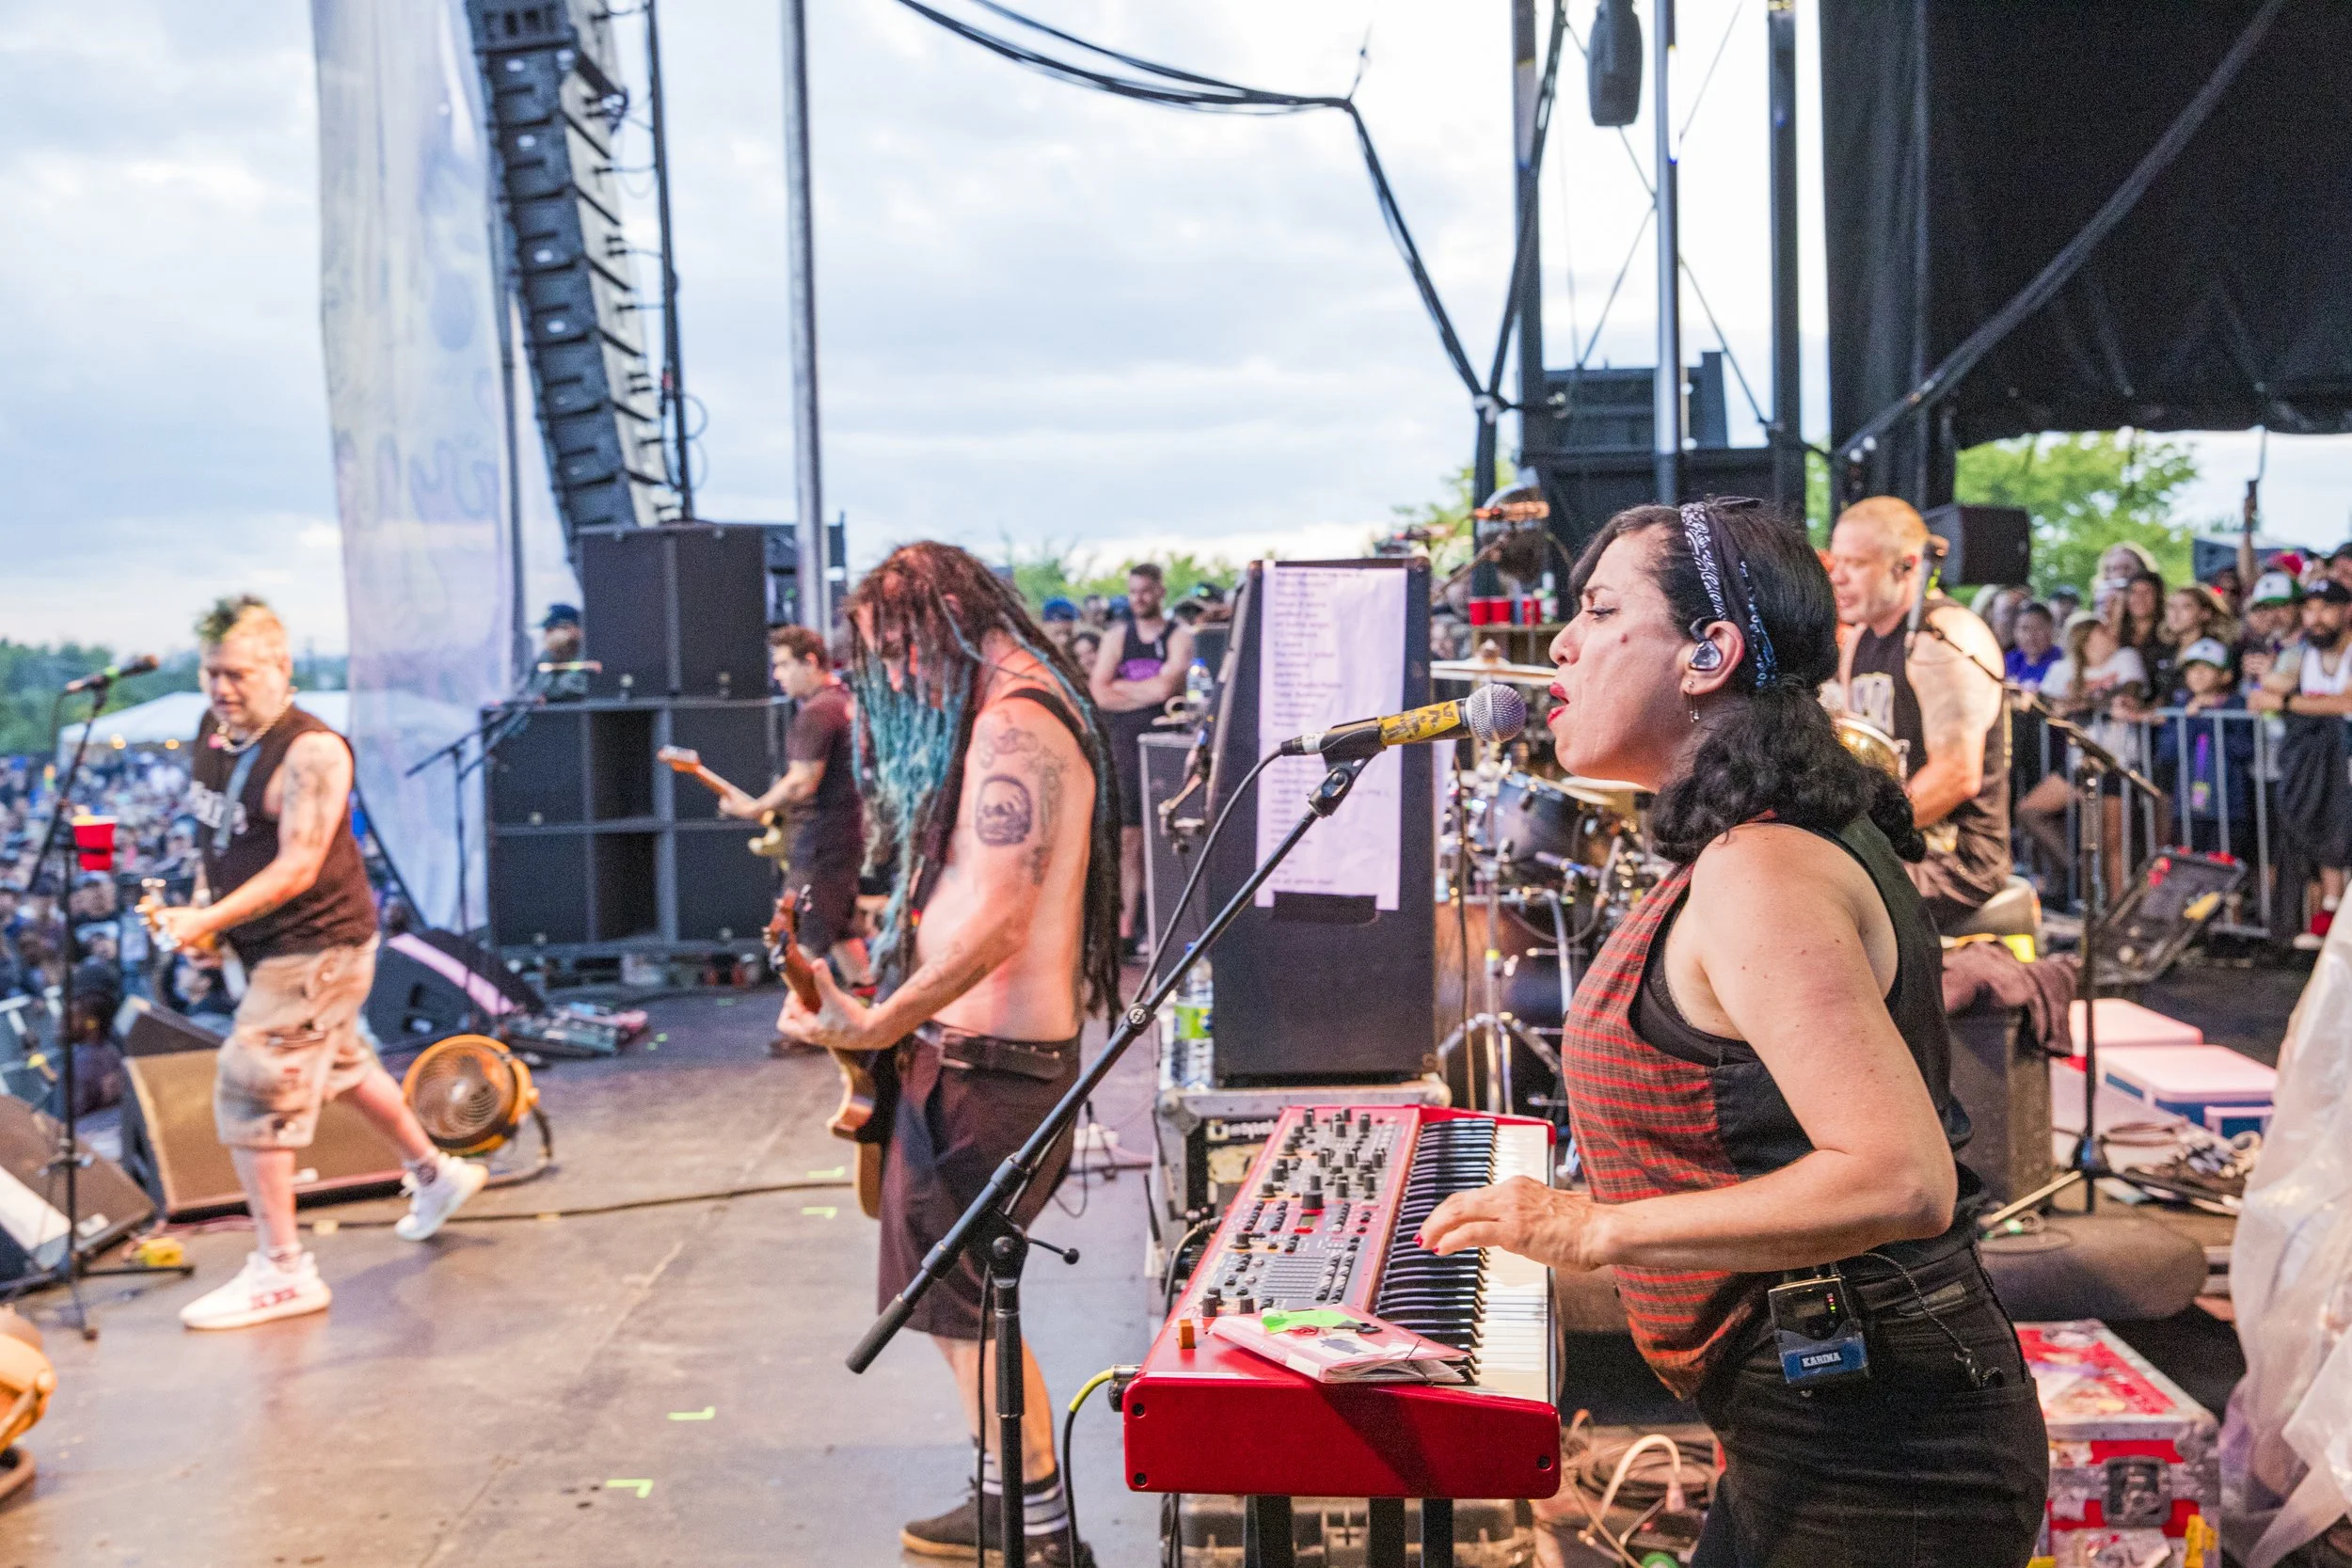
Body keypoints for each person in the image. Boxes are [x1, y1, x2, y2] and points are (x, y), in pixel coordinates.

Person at [1422, 499, 2047, 1565]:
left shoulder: (1760, 865)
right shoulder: (1760, 842)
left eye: (1600, 609)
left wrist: (1596, 1229)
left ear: (1708, 651)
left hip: (1882, 1452)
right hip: (1828, 1423)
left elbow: (1901, 1179)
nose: (1561, 643)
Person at [773, 543, 1120, 1568]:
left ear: (949, 619)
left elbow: (1004, 918)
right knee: (954, 1299)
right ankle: (1001, 1496)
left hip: (993, 1066)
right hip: (969, 1052)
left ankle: (1039, 1531)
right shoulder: (1000, 704)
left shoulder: (1016, 720)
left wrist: (883, 1023)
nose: (899, 675)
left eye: (902, 649)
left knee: (962, 1301)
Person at [153, 595, 486, 1332]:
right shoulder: (215, 732)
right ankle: (436, 1173)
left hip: (318, 947)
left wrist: (207, 918)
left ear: (281, 667)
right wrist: (208, 917)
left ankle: (283, 1269)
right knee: (340, 1063)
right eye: (211, 674)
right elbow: (224, 839)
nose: (221, 690)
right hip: (271, 945)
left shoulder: (313, 751)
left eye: (237, 674)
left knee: (254, 1082)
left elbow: (301, 863)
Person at [1824, 497, 2012, 927]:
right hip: (1899, 840)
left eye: (1856, 563)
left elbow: (1956, 777)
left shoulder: (1943, 636)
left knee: (1817, 904)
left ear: (1906, 565)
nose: (1838, 577)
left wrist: (1858, 838)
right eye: (1837, 562)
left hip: (1955, 860)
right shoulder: (1860, 640)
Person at [720, 626, 870, 990]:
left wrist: (757, 808)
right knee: (841, 933)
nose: (777, 675)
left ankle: (803, 1031)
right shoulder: (845, 702)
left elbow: (803, 781)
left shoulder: (817, 714)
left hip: (820, 841)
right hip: (845, 836)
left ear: (811, 662)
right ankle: (870, 1009)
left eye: (784, 665)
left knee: (798, 942)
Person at [1087, 562, 1195, 958]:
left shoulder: (1178, 636)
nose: (1138, 599)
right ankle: (1125, 928)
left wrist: (1125, 689)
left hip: (1166, 746)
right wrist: (1149, 691)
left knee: (1165, 836)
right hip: (1124, 747)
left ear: (1160, 591)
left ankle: (1162, 925)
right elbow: (1098, 692)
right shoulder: (1118, 636)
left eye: (1145, 591)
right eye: (1132, 592)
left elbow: (1172, 684)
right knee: (1128, 837)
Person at [2018, 611, 2149, 903]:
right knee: (2030, 810)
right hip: (2080, 761)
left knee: (2111, 844)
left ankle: (2116, 910)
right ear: (2087, 637)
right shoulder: (2062, 669)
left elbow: (2125, 695)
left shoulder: (2126, 658)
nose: (2112, 634)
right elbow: (2047, 706)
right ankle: (2076, 871)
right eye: (2103, 631)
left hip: (2116, 761)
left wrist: (2077, 704)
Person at [2250, 579, 2352, 950]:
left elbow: (2345, 703)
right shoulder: (2305, 654)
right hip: (2327, 764)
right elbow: (2271, 690)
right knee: (2326, 827)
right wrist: (2273, 688)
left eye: (2326, 608)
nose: (2316, 618)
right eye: (2309, 609)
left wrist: (2288, 701)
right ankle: (2329, 909)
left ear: (2346, 611)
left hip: (2345, 758)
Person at [2153, 639, 2255, 857]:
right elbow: (2168, 751)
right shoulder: (2181, 708)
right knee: (2191, 866)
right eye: (2192, 668)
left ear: (2225, 675)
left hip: (2228, 808)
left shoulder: (2236, 705)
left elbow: (2244, 749)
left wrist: (2210, 720)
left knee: (2224, 867)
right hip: (2188, 808)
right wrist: (2191, 720)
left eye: (2206, 668)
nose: (2197, 674)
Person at [523, 604, 591, 701]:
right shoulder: (549, 654)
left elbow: (570, 686)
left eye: (551, 630)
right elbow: (533, 689)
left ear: (571, 629)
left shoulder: (586, 653)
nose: (546, 635)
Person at [2004, 602, 2060, 690]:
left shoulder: (2061, 663)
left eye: (2038, 628)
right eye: (2024, 628)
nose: (2031, 636)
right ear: (2015, 632)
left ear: (2051, 630)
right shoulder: (2010, 660)